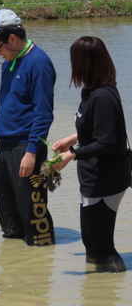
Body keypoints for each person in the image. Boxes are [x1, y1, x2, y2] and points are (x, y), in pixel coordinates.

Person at [51, 36, 128, 273]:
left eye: (74, 60)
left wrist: (72, 154)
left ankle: (113, 289)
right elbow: (96, 130)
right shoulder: (90, 91)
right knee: (90, 243)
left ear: (87, 63)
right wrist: (72, 139)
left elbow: (106, 142)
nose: (71, 65)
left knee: (102, 246)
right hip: (92, 177)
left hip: (106, 177)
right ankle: (93, 292)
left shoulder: (102, 96)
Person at [0, 9, 56, 246]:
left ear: (12, 39)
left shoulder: (39, 64)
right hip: (6, 145)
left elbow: (44, 114)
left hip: (26, 147)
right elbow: (5, 102)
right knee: (7, 211)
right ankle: (14, 270)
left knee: (34, 214)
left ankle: (39, 267)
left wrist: (31, 152)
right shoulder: (9, 63)